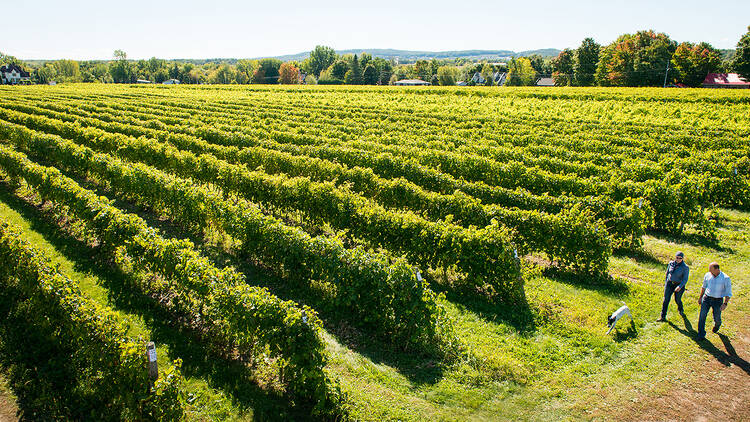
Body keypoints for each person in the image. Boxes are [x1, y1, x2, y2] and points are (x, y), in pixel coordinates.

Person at [697, 262, 732, 340]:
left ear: (717, 269)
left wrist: (725, 303)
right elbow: (704, 287)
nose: (709, 271)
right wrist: (700, 297)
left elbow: (728, 292)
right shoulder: (707, 275)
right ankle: (701, 334)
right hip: (706, 298)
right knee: (702, 316)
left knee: (717, 317)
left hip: (718, 300)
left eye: (711, 269)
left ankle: (717, 325)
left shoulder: (725, 278)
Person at [656, 251, 689, 322]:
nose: (678, 259)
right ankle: (663, 316)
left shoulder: (685, 267)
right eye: (677, 258)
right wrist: (666, 283)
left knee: (677, 299)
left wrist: (680, 286)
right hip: (670, 284)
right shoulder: (671, 263)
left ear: (682, 259)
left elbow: (685, 279)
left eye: (680, 258)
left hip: (678, 285)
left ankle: (680, 308)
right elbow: (667, 273)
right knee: (666, 300)